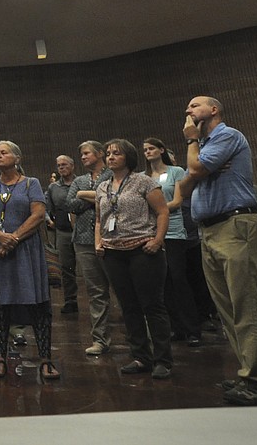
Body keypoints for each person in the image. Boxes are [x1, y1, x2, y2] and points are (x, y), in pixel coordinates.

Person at [174, 96, 257, 405]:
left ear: (213, 110)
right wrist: (199, 168)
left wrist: (194, 149)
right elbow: (183, 188)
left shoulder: (227, 135)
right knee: (226, 307)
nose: (188, 111)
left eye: (194, 106)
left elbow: (196, 168)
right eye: (187, 108)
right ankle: (250, 373)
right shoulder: (205, 149)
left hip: (234, 226)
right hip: (210, 231)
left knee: (245, 305)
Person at [0, 140, 58, 380]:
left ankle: (46, 359)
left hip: (26, 251)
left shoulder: (31, 183)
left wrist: (13, 238)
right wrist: (0, 237)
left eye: (4, 152)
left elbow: (38, 214)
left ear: (17, 158)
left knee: (36, 302)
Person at [95, 138, 172, 379]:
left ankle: (163, 360)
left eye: (116, 153)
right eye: (108, 153)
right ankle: (141, 357)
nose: (110, 157)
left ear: (128, 157)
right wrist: (99, 241)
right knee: (129, 307)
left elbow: (162, 211)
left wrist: (157, 240)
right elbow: (99, 218)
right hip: (113, 253)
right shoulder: (102, 187)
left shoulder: (143, 181)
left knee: (152, 305)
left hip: (143, 250)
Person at [143, 137, 199, 346]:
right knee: (162, 283)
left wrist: (158, 209)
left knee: (179, 280)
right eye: (145, 150)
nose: (147, 152)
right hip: (152, 231)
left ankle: (193, 329)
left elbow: (177, 201)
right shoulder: (143, 176)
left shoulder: (176, 171)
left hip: (174, 231)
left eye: (151, 148)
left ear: (161, 149)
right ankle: (176, 328)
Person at [66, 140, 115, 356]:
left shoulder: (112, 174)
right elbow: (71, 205)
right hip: (84, 240)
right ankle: (100, 339)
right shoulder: (79, 180)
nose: (83, 157)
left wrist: (83, 195)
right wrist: (93, 197)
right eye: (82, 154)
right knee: (95, 292)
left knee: (124, 290)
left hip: (113, 238)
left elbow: (113, 199)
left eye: (87, 153)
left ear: (100, 153)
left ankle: (139, 340)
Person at [48, 155, 79, 314]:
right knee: (66, 267)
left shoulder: (81, 183)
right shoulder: (54, 187)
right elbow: (50, 208)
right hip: (63, 231)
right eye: (59, 165)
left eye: (64, 164)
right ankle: (70, 300)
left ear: (72, 166)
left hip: (82, 230)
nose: (61, 167)